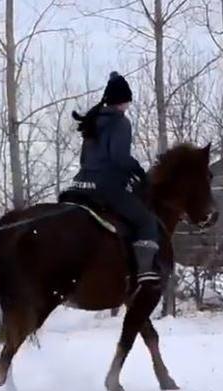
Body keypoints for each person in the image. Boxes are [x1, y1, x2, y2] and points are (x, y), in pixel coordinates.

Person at [66, 71, 161, 286]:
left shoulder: (92, 120)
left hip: (79, 185)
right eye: (127, 102)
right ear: (122, 101)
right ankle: (145, 271)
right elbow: (119, 157)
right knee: (146, 220)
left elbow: (84, 160)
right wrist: (138, 172)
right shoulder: (120, 123)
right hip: (105, 187)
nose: (128, 106)